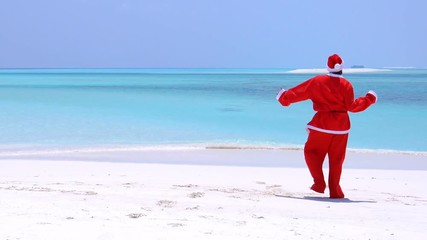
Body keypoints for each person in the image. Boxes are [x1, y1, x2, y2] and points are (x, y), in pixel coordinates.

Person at [276, 54, 377, 198]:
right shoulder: (347, 85)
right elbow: (352, 107)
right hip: (341, 128)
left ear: (327, 67)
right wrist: (369, 99)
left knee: (312, 153)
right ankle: (335, 191)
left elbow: (300, 92)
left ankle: (319, 183)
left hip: (322, 125)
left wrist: (283, 97)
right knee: (337, 160)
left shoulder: (318, 81)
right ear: (342, 68)